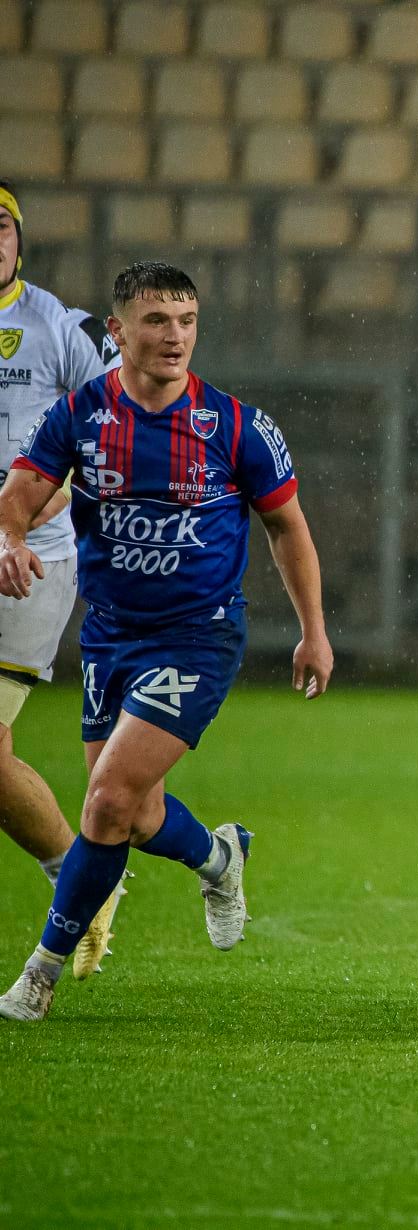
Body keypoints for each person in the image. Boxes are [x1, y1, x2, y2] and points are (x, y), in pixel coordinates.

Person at [0, 261, 332, 1022]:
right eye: (156, 321)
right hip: (111, 635)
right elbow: (19, 494)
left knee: (107, 799)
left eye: (185, 321)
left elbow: (287, 527)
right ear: (116, 332)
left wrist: (314, 631)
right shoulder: (82, 414)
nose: (174, 336)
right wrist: (10, 537)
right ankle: (220, 857)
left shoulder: (236, 425)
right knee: (135, 814)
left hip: (198, 636)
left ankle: (39, 975)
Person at [0, 181, 124, 980]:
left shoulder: (56, 325)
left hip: (32, 555)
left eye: (1, 228)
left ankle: (76, 885)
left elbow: (116, 415)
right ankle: (83, 879)